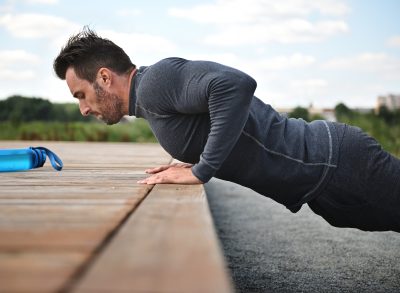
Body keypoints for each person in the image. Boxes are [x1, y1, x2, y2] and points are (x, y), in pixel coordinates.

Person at [53, 28, 400, 232]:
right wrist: (195, 161)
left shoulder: (155, 81)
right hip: (322, 184)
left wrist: (203, 169)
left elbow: (235, 85)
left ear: (103, 77)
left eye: (81, 95)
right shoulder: (151, 102)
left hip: (336, 161)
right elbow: (224, 125)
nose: (83, 109)